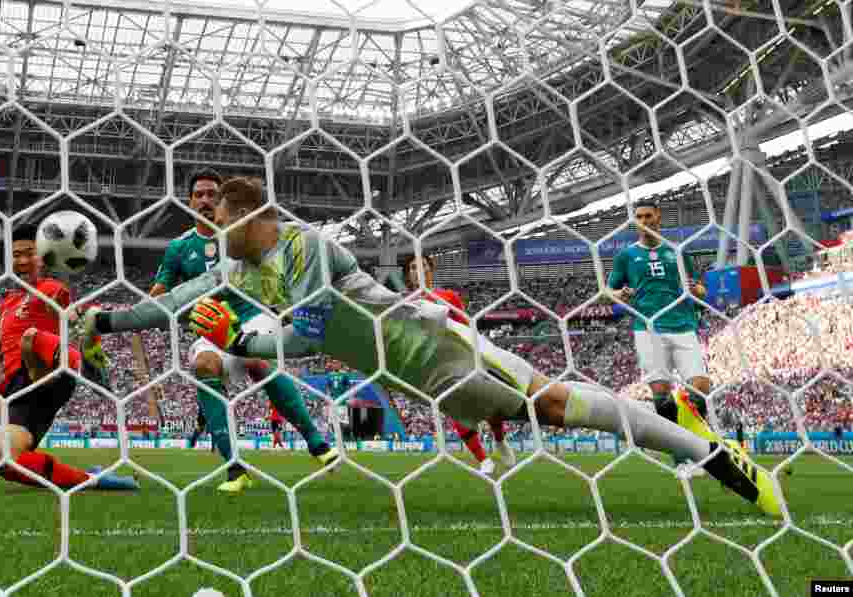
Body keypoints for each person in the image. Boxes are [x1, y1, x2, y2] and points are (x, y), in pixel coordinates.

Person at [80, 177, 784, 517]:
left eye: (220, 218)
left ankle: (715, 455)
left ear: (251, 215)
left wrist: (244, 336)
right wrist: (107, 323)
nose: (212, 228)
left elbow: (314, 329)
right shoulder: (239, 266)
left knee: (556, 402)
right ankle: (697, 446)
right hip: (415, 380)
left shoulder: (307, 247)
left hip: (439, 344)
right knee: (544, 410)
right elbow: (176, 300)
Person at [147, 169, 337, 493]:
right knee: (204, 364)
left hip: (253, 315)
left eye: (212, 194)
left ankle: (316, 441)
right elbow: (160, 291)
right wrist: (150, 308)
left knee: (254, 358)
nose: (206, 201)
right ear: (189, 201)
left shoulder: (244, 235)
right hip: (211, 325)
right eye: (199, 195)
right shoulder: (179, 248)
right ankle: (235, 468)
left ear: (224, 202)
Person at [0, 224, 138, 491]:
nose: (22, 260)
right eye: (16, 254)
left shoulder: (51, 288)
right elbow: (4, 344)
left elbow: (65, 311)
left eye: (29, 253)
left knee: (31, 337)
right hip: (20, 384)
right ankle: (92, 479)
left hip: (52, 369)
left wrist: (76, 322)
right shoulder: (9, 302)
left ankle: (85, 360)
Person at [608, 200, 714, 475]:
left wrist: (698, 290)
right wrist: (621, 295)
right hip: (648, 328)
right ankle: (681, 460)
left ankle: (691, 442)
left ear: (658, 217)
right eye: (638, 216)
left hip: (682, 324)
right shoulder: (626, 256)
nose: (643, 220)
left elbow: (700, 288)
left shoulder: (677, 252)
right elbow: (609, 291)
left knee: (700, 387)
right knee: (661, 393)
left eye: (648, 215)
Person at [402, 254, 510, 475]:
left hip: (460, 357)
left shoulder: (448, 296)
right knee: (456, 409)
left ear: (431, 270)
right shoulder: (404, 302)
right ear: (408, 274)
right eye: (413, 267)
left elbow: (466, 326)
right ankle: (483, 460)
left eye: (422, 265)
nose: (418, 270)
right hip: (435, 365)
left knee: (490, 400)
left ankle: (500, 440)